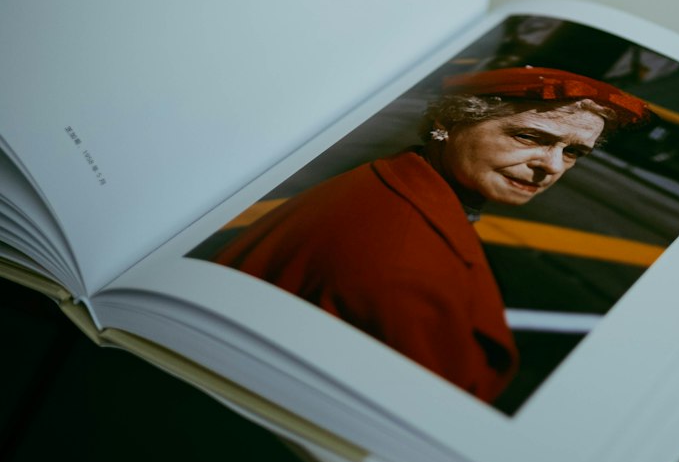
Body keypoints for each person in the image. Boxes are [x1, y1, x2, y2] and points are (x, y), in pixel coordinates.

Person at [212, 67, 647, 404]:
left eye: (572, 152)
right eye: (529, 136)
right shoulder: (406, 269)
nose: (551, 166)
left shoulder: (392, 182)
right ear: (448, 121)